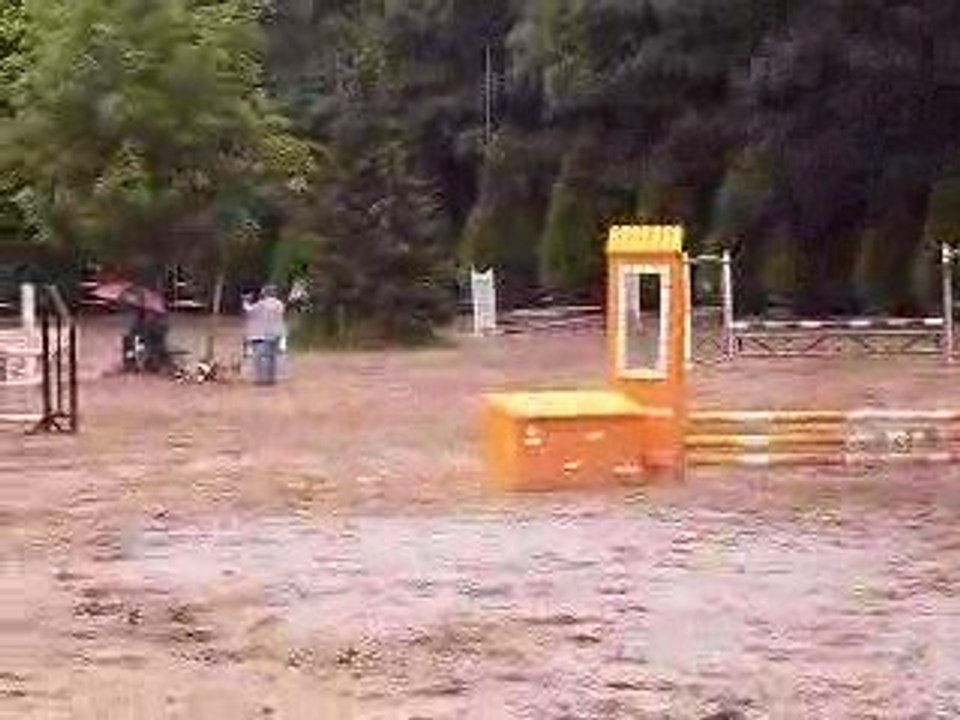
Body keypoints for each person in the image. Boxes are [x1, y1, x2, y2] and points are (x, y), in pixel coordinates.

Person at [243, 284, 287, 385]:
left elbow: (249, 310)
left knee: (259, 357)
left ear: (265, 293)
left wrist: (246, 300)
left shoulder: (261, 304)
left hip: (262, 334)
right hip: (276, 333)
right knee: (272, 357)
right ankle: (271, 379)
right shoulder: (280, 304)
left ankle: (261, 379)